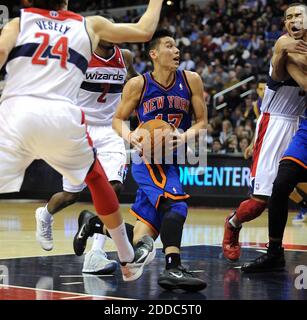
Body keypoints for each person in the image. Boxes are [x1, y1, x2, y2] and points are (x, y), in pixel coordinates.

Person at [0, 0, 164, 281]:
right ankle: (51, 215)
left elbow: (134, 81)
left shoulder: (20, 23)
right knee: (77, 191)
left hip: (102, 127)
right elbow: (145, 29)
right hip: (72, 121)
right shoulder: (86, 30)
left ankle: (97, 255)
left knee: (110, 185)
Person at [74, 29, 208, 292]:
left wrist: (184, 137)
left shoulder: (191, 80)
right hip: (148, 158)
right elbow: (117, 119)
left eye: (177, 46)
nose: (177, 51)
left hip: (174, 157)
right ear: (154, 54)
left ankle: (94, 223)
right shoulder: (138, 84)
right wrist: (131, 135)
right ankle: (173, 267)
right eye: (170, 46)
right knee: (176, 207)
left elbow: (203, 122)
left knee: (143, 236)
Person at [35, 35, 139, 275]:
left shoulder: (124, 57)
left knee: (114, 188)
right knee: (71, 195)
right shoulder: (79, 55)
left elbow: (134, 82)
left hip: (112, 128)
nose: (113, 33)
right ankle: (46, 214)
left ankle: (96, 254)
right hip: (80, 129)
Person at [222, 3, 307, 262]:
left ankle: (275, 251)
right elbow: (301, 69)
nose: (293, 20)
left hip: (301, 123)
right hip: (276, 125)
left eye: (298, 16)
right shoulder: (285, 45)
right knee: (261, 200)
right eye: (289, 17)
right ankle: (233, 224)